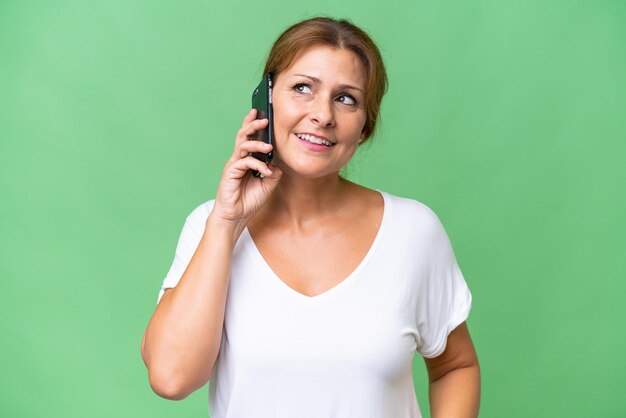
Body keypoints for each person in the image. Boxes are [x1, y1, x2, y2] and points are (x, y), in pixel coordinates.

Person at [141, 16, 480, 418]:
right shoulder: (210, 226)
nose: (323, 115)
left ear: (364, 128)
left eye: (346, 98)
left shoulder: (413, 231)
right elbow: (171, 377)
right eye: (303, 88)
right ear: (265, 101)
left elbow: (455, 366)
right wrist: (227, 223)